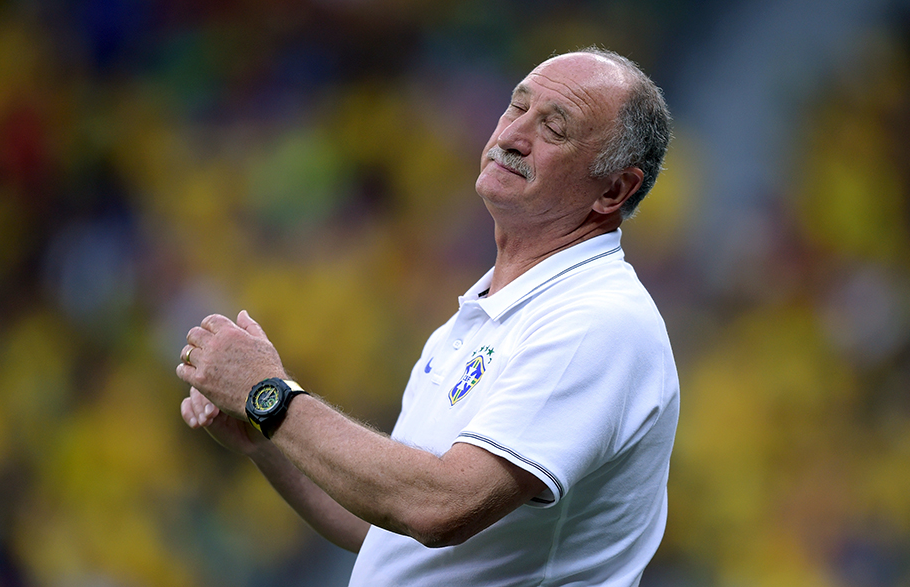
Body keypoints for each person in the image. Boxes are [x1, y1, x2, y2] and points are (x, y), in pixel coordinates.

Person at [177, 46, 679, 587]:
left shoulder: (596, 321)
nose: (512, 136)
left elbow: (440, 509)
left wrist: (270, 396)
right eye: (517, 107)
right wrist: (265, 438)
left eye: (555, 129)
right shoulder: (477, 320)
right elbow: (389, 522)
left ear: (614, 189)